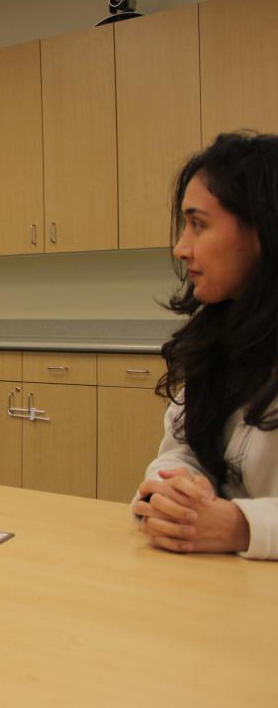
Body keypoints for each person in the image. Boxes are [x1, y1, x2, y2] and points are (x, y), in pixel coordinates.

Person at [132, 132, 278, 559]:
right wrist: (176, 490)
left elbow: (240, 522)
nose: (181, 247)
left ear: (262, 229)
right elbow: (181, 450)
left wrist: (245, 527)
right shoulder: (219, 342)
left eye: (198, 223)